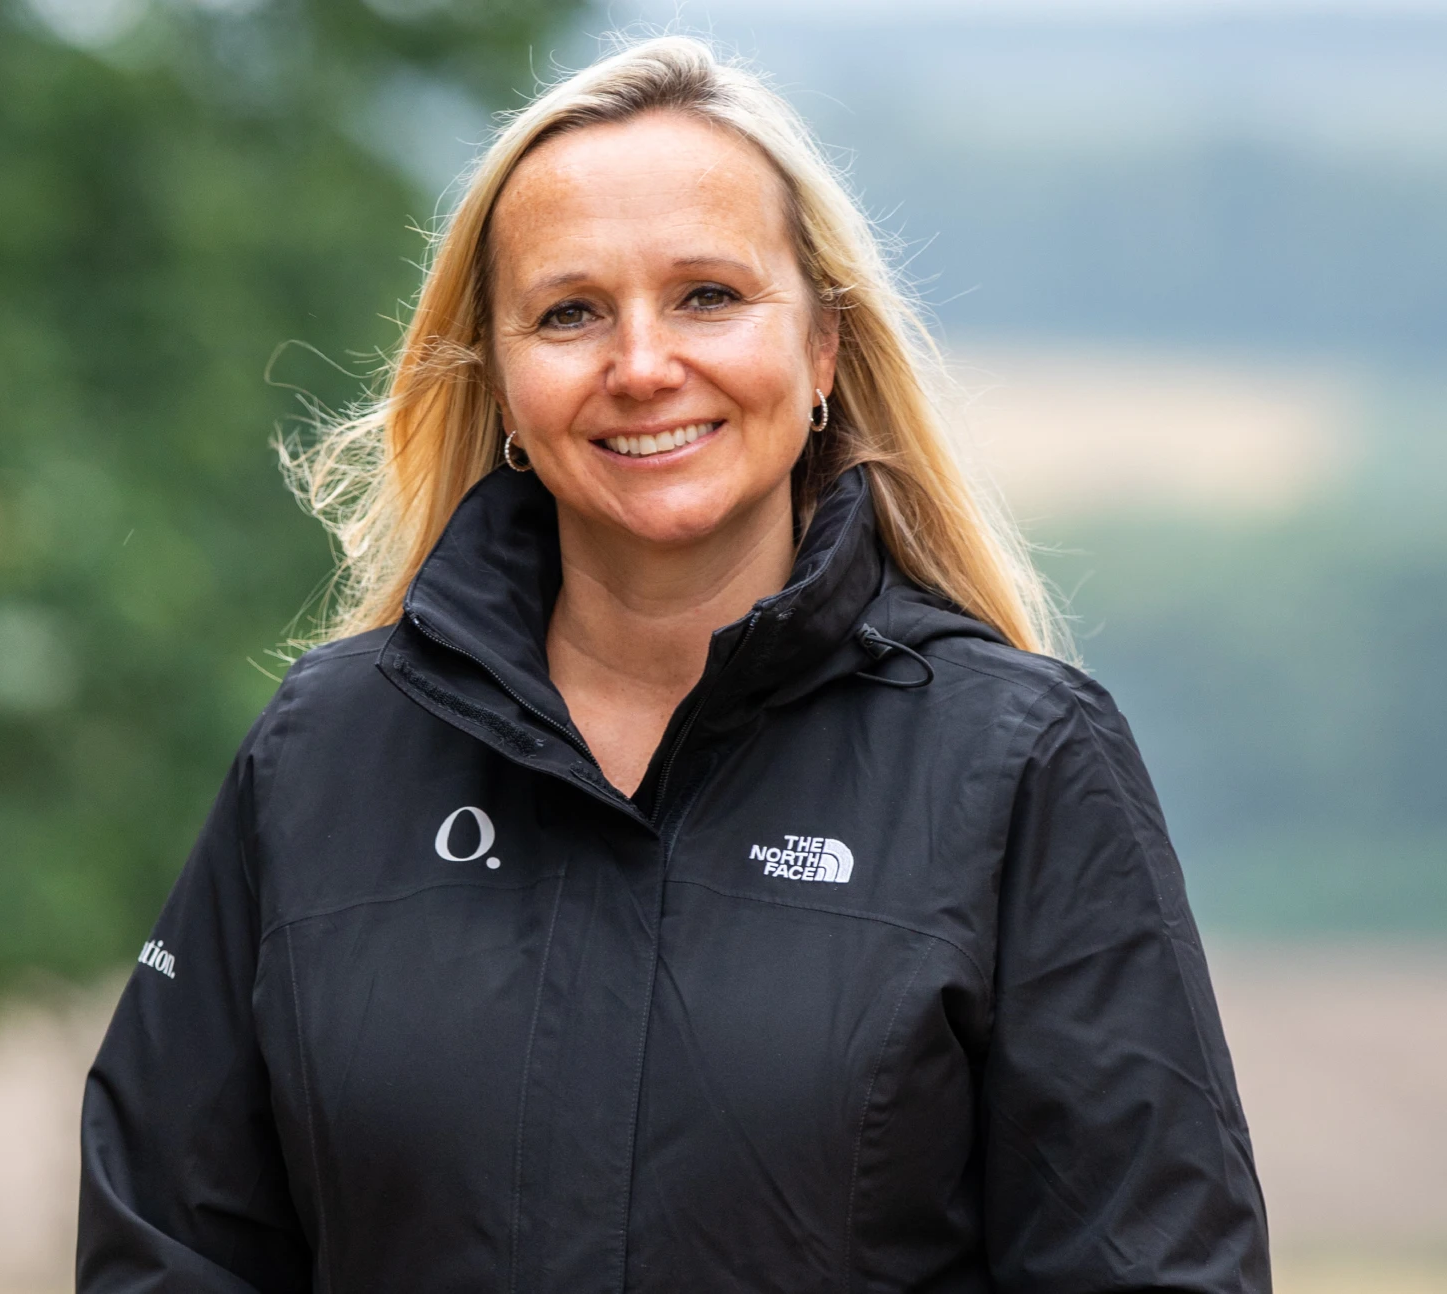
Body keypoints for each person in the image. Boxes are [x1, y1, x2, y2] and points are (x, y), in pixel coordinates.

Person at [77, 36, 1269, 1293]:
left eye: (707, 295)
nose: (642, 366)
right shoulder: (323, 753)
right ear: (501, 379)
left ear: (820, 348)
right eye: (570, 312)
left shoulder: (1015, 763)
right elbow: (167, 1248)